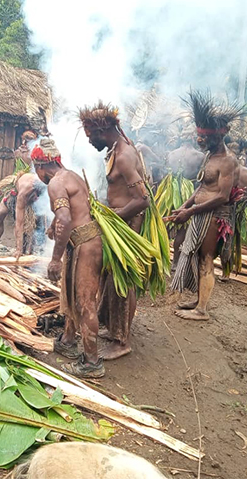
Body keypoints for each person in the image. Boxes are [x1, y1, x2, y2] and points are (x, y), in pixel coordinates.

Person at [79, 102, 149, 360]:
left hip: (127, 224)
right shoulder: (115, 150)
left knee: (122, 282)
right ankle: (117, 330)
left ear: (102, 130)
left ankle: (122, 342)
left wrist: (114, 217)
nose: (89, 143)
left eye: (90, 137)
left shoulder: (124, 155)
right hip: (119, 221)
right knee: (114, 280)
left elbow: (143, 199)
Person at [33, 138, 104, 378]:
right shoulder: (71, 175)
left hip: (84, 244)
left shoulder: (55, 183)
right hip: (86, 241)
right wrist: (54, 225)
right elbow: (72, 211)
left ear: (40, 166)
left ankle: (92, 363)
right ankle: (68, 340)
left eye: (36, 169)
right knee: (74, 297)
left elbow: (65, 218)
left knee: (85, 303)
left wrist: (55, 259)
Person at [169, 91, 243, 321]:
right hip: (200, 215)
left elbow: (221, 196)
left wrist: (190, 211)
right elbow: (201, 188)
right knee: (197, 256)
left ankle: (202, 310)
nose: (199, 140)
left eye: (203, 137)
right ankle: (198, 301)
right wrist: (184, 206)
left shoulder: (228, 160)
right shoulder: (209, 157)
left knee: (206, 259)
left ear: (218, 136)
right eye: (198, 135)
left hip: (213, 217)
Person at [167, 133, 206, 270]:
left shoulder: (172, 153)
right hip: (188, 192)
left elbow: (168, 171)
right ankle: (175, 262)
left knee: (167, 223)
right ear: (192, 139)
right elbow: (202, 177)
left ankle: (161, 258)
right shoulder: (200, 156)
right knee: (182, 229)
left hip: (169, 190)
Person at [0, 172, 46, 257]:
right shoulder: (23, 193)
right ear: (32, 190)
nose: (36, 198)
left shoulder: (46, 188)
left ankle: (31, 251)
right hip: (15, 193)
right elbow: (19, 224)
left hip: (34, 200)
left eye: (39, 195)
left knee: (37, 222)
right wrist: (18, 250)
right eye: (35, 195)